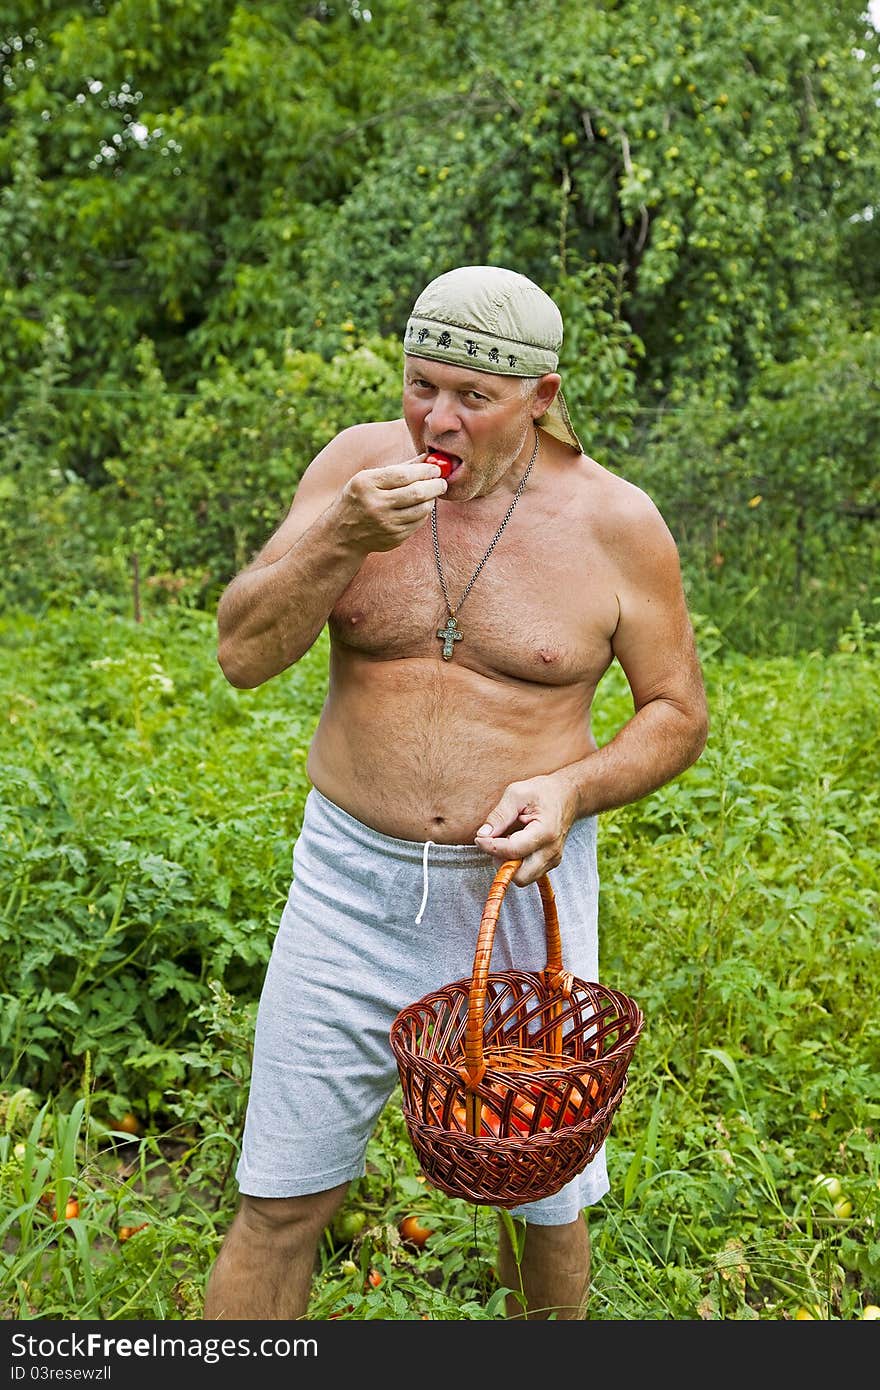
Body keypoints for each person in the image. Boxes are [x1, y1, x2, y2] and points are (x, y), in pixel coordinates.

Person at [203, 264, 708, 1322]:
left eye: (472, 397)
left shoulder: (616, 522)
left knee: (542, 1199)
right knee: (281, 1197)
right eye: (419, 384)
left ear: (542, 395)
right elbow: (243, 654)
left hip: (514, 897)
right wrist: (340, 537)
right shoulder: (355, 470)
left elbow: (675, 711)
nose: (437, 418)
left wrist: (573, 785)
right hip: (347, 886)